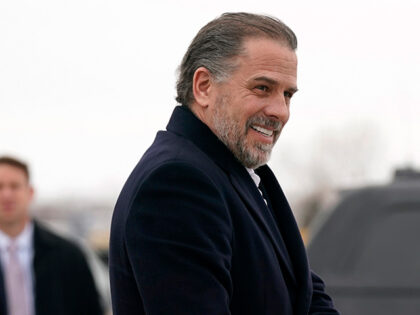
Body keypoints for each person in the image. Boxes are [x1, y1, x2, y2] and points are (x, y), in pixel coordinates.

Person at [110, 12, 340, 315]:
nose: (280, 111)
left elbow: (305, 296)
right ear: (204, 86)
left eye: (287, 95)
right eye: (262, 88)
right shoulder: (178, 183)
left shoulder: (231, 175)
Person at [0, 156, 103, 315]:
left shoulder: (69, 255)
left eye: (14, 186)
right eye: (0, 187)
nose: (6, 195)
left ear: (30, 192)